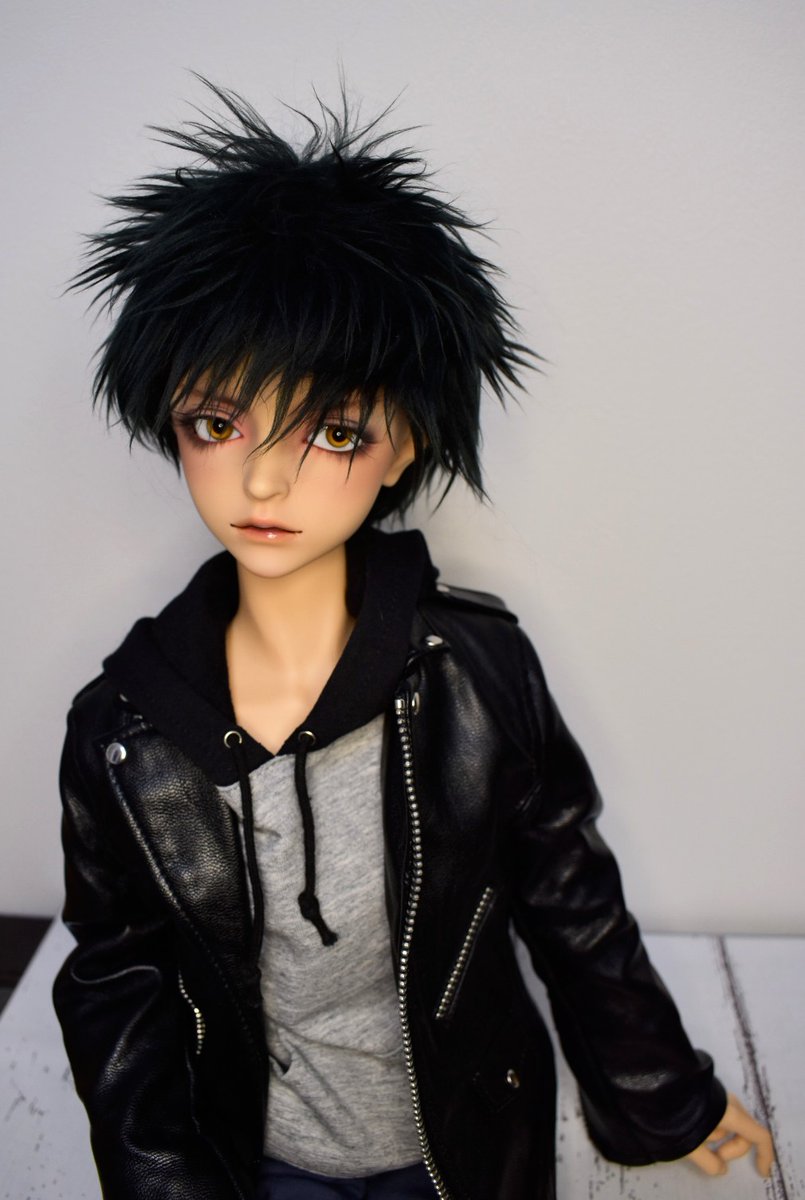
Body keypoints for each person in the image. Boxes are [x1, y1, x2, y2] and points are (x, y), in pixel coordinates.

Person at [53, 81, 774, 1200]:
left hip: (464, 1151)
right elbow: (118, 986)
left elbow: (570, 903)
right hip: (255, 1163)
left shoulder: (476, 673)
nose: (264, 480)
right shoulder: (123, 733)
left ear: (404, 446)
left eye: (332, 430)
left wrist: (663, 1096)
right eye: (217, 422)